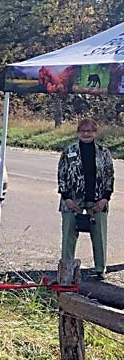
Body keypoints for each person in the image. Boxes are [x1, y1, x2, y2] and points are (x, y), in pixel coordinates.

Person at [58, 117, 113, 279]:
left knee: (99, 235)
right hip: (73, 199)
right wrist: (67, 198)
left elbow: (110, 176)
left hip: (97, 199)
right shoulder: (69, 151)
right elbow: (61, 175)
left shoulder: (104, 152)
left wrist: (105, 198)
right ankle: (66, 269)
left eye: (89, 131)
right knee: (68, 235)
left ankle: (100, 268)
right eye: (83, 131)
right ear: (78, 132)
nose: (86, 134)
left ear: (95, 133)